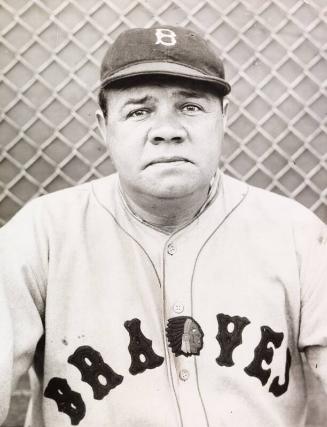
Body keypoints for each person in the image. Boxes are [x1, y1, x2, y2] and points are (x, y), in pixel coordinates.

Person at [0, 25, 326, 427]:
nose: (167, 131)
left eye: (190, 107)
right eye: (139, 111)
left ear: (223, 118)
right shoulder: (41, 235)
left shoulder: (296, 235)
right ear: (104, 126)